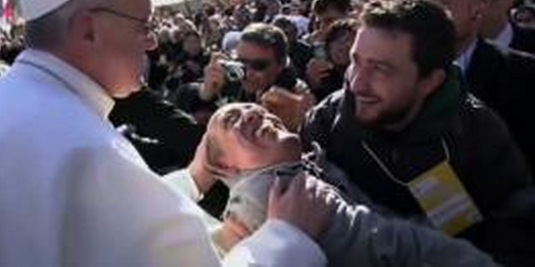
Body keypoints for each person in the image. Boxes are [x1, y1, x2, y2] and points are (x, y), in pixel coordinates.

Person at [0, 0, 335, 267]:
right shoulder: (81, 145)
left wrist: (195, 176)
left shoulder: (18, 100)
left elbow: (109, 227)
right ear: (89, 30)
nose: (152, 43)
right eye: (143, 27)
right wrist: (288, 236)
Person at [301, 0, 532, 245]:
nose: (358, 83)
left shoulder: (480, 139)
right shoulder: (324, 123)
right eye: (356, 61)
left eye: (380, 69)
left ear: (431, 81)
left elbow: (510, 242)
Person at [201, 103, 498, 267]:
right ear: (226, 166)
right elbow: (388, 244)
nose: (257, 113)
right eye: (232, 120)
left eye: (381, 66)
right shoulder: (275, 196)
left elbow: (380, 220)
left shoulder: (473, 117)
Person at [423, 0, 535, 184]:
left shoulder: (526, 73)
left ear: (476, 12)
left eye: (442, 6)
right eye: (425, 6)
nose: (429, 15)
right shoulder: (407, 70)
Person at [199, 23, 313, 131]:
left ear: (281, 64)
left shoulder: (295, 98)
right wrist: (206, 94)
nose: (248, 73)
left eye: (259, 66)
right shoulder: (232, 79)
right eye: (241, 64)